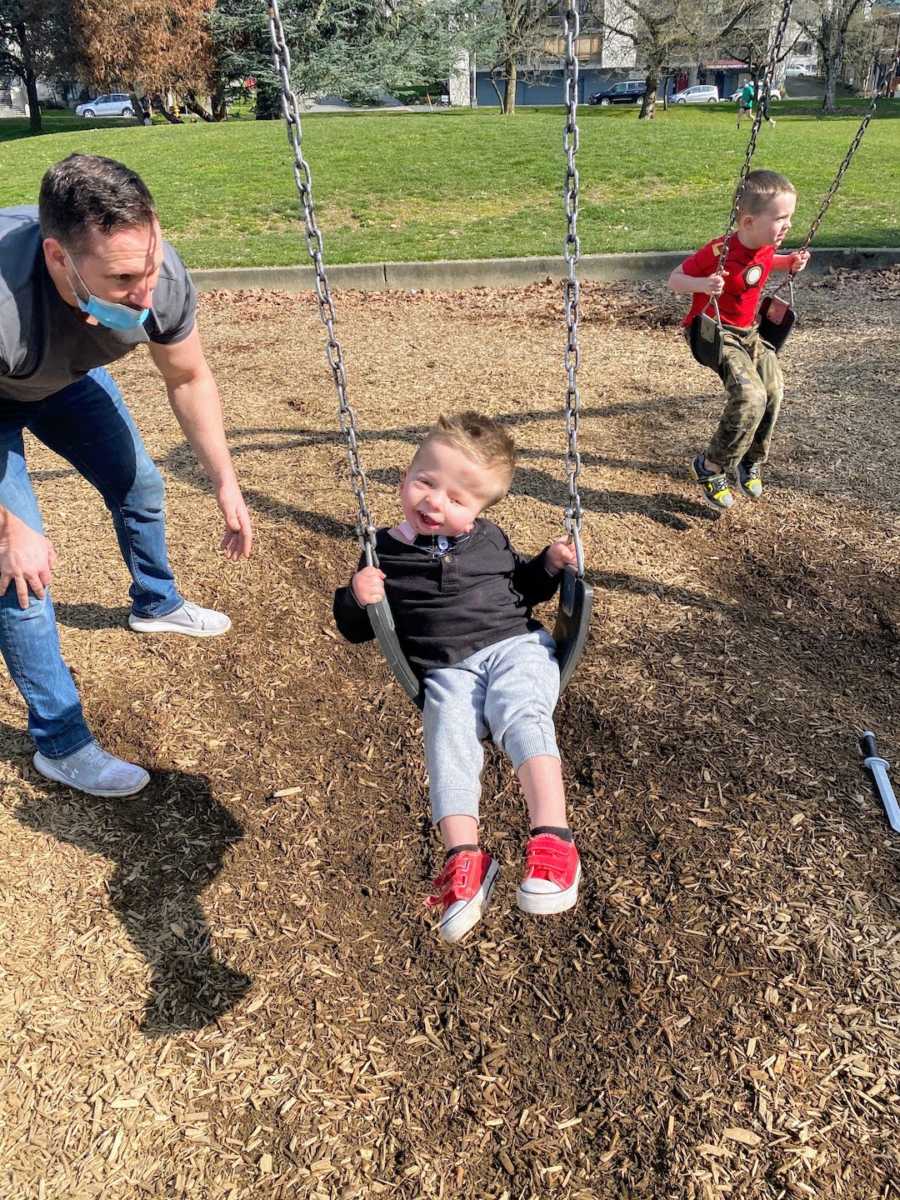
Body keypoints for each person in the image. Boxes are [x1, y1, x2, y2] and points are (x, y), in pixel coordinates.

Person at [0, 154, 253, 797]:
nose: (145, 295)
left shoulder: (154, 274)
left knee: (139, 482)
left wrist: (223, 478)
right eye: (121, 281)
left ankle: (156, 603)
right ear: (59, 258)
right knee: (18, 569)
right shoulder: (4, 303)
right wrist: (10, 526)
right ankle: (61, 743)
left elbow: (188, 376)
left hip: (58, 380)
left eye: (148, 269)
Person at [332, 413, 581, 944]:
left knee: (520, 711)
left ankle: (553, 839)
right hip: (446, 670)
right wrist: (358, 595)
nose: (434, 502)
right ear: (407, 473)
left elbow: (522, 588)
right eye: (425, 481)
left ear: (479, 511)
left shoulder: (488, 539)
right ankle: (465, 861)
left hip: (515, 647)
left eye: (458, 499)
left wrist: (551, 565)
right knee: (445, 736)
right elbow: (355, 629)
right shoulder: (382, 552)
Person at [667, 169, 810, 511]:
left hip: (748, 332)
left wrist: (788, 262)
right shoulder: (718, 250)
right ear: (747, 221)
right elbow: (675, 279)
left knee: (773, 389)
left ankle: (750, 459)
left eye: (790, 217)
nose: (788, 225)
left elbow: (762, 263)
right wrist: (703, 286)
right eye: (781, 218)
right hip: (715, 333)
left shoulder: (763, 244)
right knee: (750, 394)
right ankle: (711, 465)